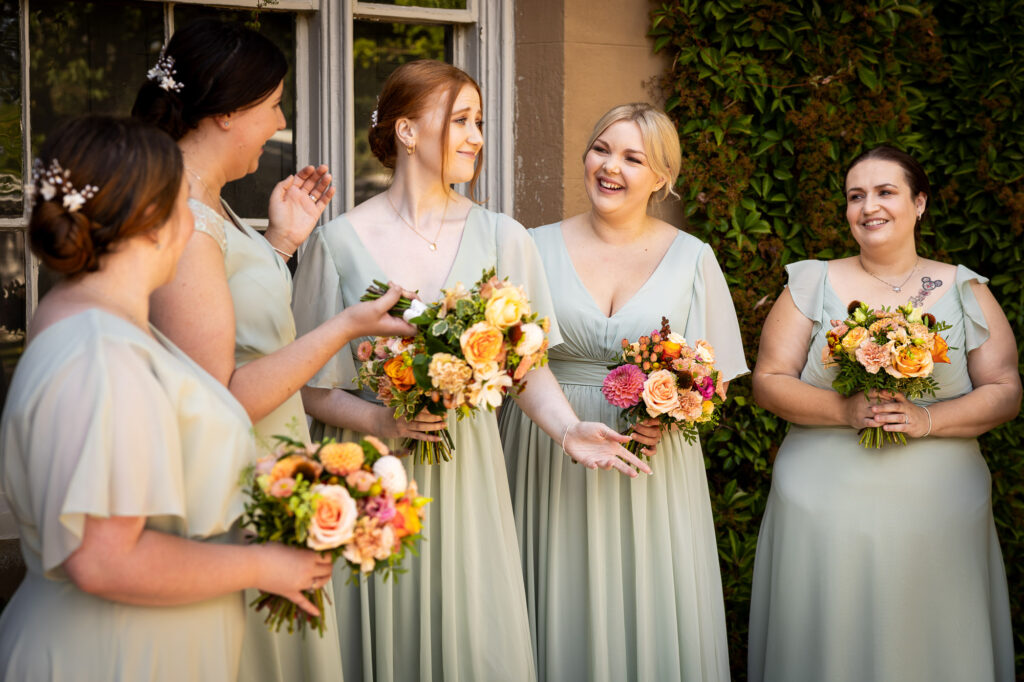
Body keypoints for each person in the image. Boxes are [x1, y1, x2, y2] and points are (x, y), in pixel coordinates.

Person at [291, 60, 651, 682]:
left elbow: (527, 368)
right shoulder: (337, 242)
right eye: (461, 120)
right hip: (372, 473)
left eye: (479, 122)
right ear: (406, 132)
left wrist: (568, 430)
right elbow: (312, 387)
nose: (477, 137)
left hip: (470, 474)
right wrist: (384, 420)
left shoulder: (505, 238)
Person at [0, 115, 333, 680]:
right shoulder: (101, 353)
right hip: (114, 654)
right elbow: (104, 559)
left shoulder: (85, 318)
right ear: (154, 221)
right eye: (183, 200)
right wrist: (262, 564)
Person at [132, 19, 414, 682]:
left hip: (273, 471)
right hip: (233, 494)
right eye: (273, 104)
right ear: (229, 112)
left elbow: (241, 326)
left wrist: (280, 245)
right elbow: (222, 395)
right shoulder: (183, 221)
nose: (281, 119)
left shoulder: (216, 207)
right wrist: (342, 327)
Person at [747, 145, 1019, 682]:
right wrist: (844, 409)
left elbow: (1006, 390)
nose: (868, 206)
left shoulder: (964, 289)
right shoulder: (811, 283)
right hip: (821, 503)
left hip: (940, 506)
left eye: (885, 192)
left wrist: (928, 420)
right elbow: (768, 381)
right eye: (855, 196)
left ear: (919, 203)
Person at [497, 103, 747, 682]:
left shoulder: (693, 259)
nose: (610, 167)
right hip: (546, 452)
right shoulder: (529, 247)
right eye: (602, 149)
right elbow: (512, 359)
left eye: (633, 158)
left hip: (651, 460)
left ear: (661, 177)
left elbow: (716, 379)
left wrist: (678, 411)